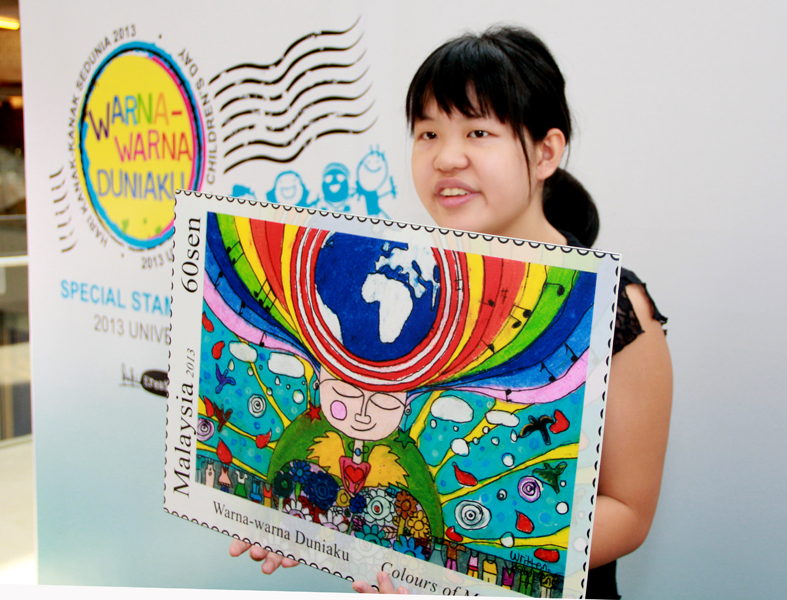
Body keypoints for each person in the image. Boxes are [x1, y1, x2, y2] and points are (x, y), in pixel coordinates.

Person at [230, 25, 672, 598]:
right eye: (428, 133)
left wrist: (445, 568)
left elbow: (629, 513)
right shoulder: (396, 292)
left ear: (545, 151)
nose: (446, 157)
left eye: (479, 131)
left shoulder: (617, 310)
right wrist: (307, 524)